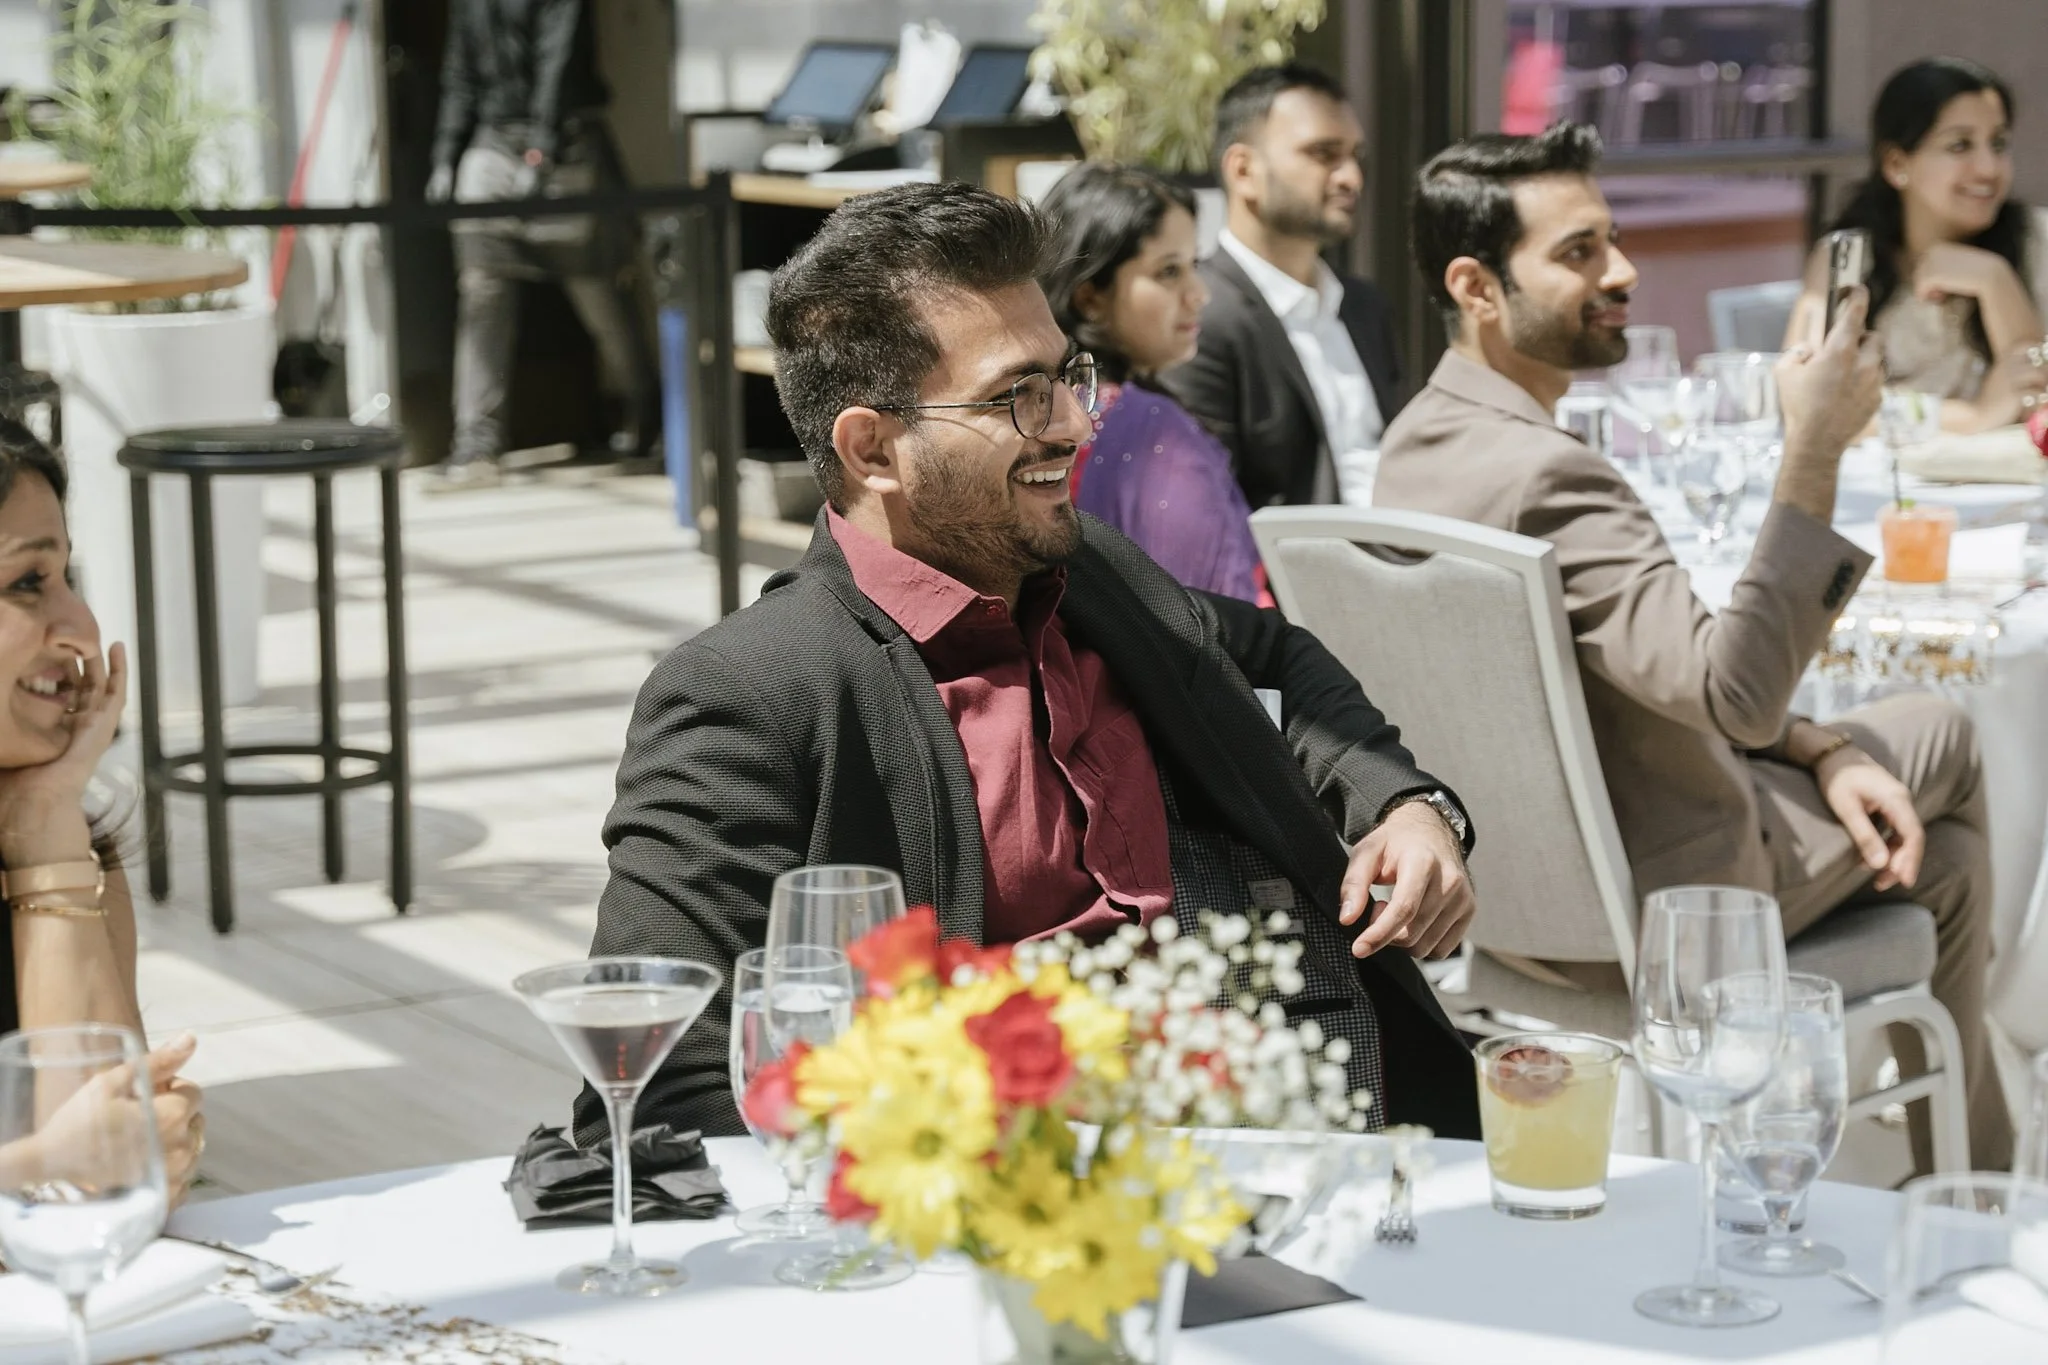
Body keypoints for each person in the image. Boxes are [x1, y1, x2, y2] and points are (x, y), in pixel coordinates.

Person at [576, 182, 1481, 1147]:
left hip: (1299, 1125)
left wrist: (1405, 806)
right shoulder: (747, 696)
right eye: (1018, 395)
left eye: (1065, 377)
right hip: (990, 1187)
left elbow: (1276, 655)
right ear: (873, 448)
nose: (1074, 426)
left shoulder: (1092, 574)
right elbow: (661, 1078)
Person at [1376, 122, 2011, 1171]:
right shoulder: (1551, 477)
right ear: (1476, 287)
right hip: (1670, 899)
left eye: (1613, 238)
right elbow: (1735, 695)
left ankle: (1959, 1165)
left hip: (1508, 905)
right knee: (1942, 730)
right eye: (1578, 251)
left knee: (1939, 862)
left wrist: (1819, 745)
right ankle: (1970, 1181)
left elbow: (1647, 675)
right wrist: (1814, 446)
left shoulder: (1413, 448)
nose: (1622, 270)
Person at [0, 419, 205, 1206]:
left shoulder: (63, 842)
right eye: (27, 582)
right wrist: (36, 1163)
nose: (83, 628)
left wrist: (44, 827)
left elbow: (100, 1199)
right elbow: (66, 1172)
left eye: (66, 576)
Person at [425, 0, 659, 490]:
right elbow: (459, 75)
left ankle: (646, 416)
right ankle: (476, 444)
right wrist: (445, 154)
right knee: (481, 293)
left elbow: (561, 57)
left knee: (597, 290)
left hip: (564, 144)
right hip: (491, 145)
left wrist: (542, 147)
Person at [1162, 64, 1403, 510]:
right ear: (1243, 170)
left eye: (1356, 156)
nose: (1351, 178)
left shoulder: (1364, 307)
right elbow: (1204, 513)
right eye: (1323, 154)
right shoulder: (1200, 316)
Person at [1037, 163, 1266, 603]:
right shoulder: (1154, 432)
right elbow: (1212, 617)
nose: (1199, 294)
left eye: (1193, 265)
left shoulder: (1034, 414)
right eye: (1168, 272)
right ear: (1091, 296)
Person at [1788, 57, 2048, 433]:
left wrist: (1995, 280)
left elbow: (2037, 402)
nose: (1989, 168)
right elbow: (1807, 402)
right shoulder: (1848, 257)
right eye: (1960, 145)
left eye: (1998, 143)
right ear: (1896, 164)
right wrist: (1972, 417)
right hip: (1882, 470)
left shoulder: (2037, 239)